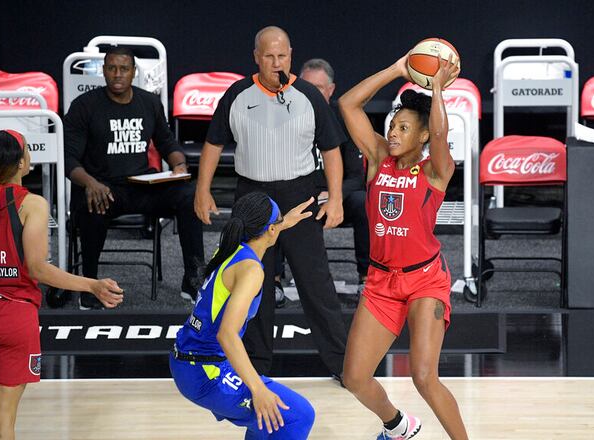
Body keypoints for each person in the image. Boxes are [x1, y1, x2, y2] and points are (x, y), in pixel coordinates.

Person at [194, 26, 347, 382]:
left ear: (291, 55)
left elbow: (332, 149)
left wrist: (336, 197)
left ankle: (342, 365)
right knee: (252, 282)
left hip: (300, 195)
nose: (276, 63)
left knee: (315, 284)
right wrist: (203, 190)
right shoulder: (236, 94)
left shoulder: (309, 95)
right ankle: (255, 366)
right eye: (269, 56)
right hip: (252, 198)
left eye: (282, 56)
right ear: (256, 57)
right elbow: (213, 144)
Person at [338, 53, 468, 439]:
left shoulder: (435, 170)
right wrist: (397, 70)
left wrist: (438, 88)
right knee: (355, 378)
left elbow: (442, 136)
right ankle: (397, 426)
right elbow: (347, 103)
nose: (393, 133)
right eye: (392, 125)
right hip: (381, 283)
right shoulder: (378, 159)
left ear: (423, 136)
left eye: (404, 128)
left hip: (425, 281)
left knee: (424, 377)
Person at [0, 130, 123, 440]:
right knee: (3, 426)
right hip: (14, 315)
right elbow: (37, 268)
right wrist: (91, 285)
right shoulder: (32, 204)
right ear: (22, 161)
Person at [63, 46, 204, 309]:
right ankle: (90, 284)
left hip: (141, 185)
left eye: (124, 68)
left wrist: (179, 165)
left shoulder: (149, 102)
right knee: (93, 204)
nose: (118, 74)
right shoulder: (84, 106)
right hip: (102, 187)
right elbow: (69, 158)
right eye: (112, 68)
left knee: (188, 195)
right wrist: (90, 183)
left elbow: (166, 141)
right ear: (104, 71)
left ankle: (193, 278)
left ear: (133, 72)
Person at [171, 192, 316, 439]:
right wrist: (258, 389)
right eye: (278, 222)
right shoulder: (251, 271)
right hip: (204, 370)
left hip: (189, 360)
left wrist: (283, 222)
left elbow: (264, 232)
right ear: (270, 230)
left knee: (267, 422)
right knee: (298, 415)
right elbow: (227, 335)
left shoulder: (231, 245)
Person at [272, 58, 370, 305]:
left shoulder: (345, 120)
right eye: (304, 86)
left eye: (317, 88)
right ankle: (273, 280)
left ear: (331, 90)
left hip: (337, 199)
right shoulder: (283, 118)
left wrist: (334, 195)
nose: (309, 93)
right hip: (299, 197)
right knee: (273, 201)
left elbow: (357, 177)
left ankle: (367, 277)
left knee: (364, 202)